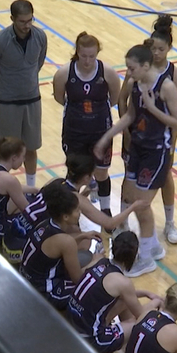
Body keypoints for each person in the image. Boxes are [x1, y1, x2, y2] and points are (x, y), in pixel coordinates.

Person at [94, 41, 177, 277]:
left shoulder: (167, 87)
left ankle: (145, 258)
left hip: (157, 152)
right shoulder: (136, 83)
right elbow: (131, 115)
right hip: (138, 146)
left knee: (141, 206)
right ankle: (152, 246)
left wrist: (154, 108)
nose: (128, 73)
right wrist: (107, 136)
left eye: (132, 68)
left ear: (146, 65)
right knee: (132, 197)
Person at [118, 15, 177, 244]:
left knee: (166, 176)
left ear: (169, 49)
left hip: (159, 139)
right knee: (129, 178)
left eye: (161, 49)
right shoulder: (136, 69)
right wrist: (125, 132)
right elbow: (122, 101)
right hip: (136, 135)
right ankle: (123, 223)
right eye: (154, 48)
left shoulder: (174, 76)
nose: (157, 53)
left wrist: (173, 144)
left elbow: (175, 116)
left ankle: (169, 223)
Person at [53, 32, 121, 217]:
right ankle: (70, 210)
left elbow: (114, 98)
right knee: (74, 173)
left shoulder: (107, 72)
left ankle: (105, 209)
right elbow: (60, 97)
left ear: (97, 54)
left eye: (92, 56)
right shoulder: (64, 73)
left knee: (101, 172)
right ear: (77, 52)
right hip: (74, 131)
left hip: (101, 131)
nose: (87, 60)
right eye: (83, 56)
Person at [0, 0, 48, 188]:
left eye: (30, 20)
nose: (27, 25)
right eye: (22, 22)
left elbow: (39, 63)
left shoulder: (40, 37)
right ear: (12, 19)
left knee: (31, 147)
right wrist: (5, 88)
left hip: (32, 101)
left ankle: (31, 187)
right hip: (6, 104)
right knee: (3, 149)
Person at [68, 232, 162, 353]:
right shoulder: (123, 283)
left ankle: (125, 345)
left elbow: (120, 294)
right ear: (134, 256)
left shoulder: (100, 261)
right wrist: (156, 302)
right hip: (90, 337)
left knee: (124, 301)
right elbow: (142, 316)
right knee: (137, 323)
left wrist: (145, 293)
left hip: (71, 319)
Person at [19, 183, 101, 309]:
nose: (79, 213)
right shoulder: (66, 241)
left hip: (26, 278)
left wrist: (83, 236)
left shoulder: (45, 223)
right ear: (66, 216)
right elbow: (78, 279)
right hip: (43, 292)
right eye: (77, 210)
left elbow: (56, 244)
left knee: (85, 252)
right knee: (92, 288)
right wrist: (95, 262)